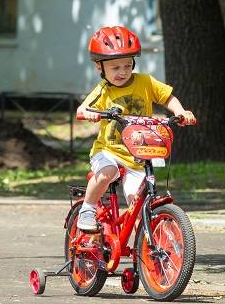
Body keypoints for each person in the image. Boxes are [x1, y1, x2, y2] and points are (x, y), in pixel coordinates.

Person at [76, 26, 196, 232]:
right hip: (109, 151)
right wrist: (89, 113)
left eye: (127, 65)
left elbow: (167, 97)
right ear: (100, 67)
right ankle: (87, 209)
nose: (123, 72)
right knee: (108, 172)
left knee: (138, 201)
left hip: (139, 155)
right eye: (115, 68)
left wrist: (181, 111)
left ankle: (149, 250)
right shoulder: (104, 90)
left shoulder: (145, 82)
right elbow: (83, 108)